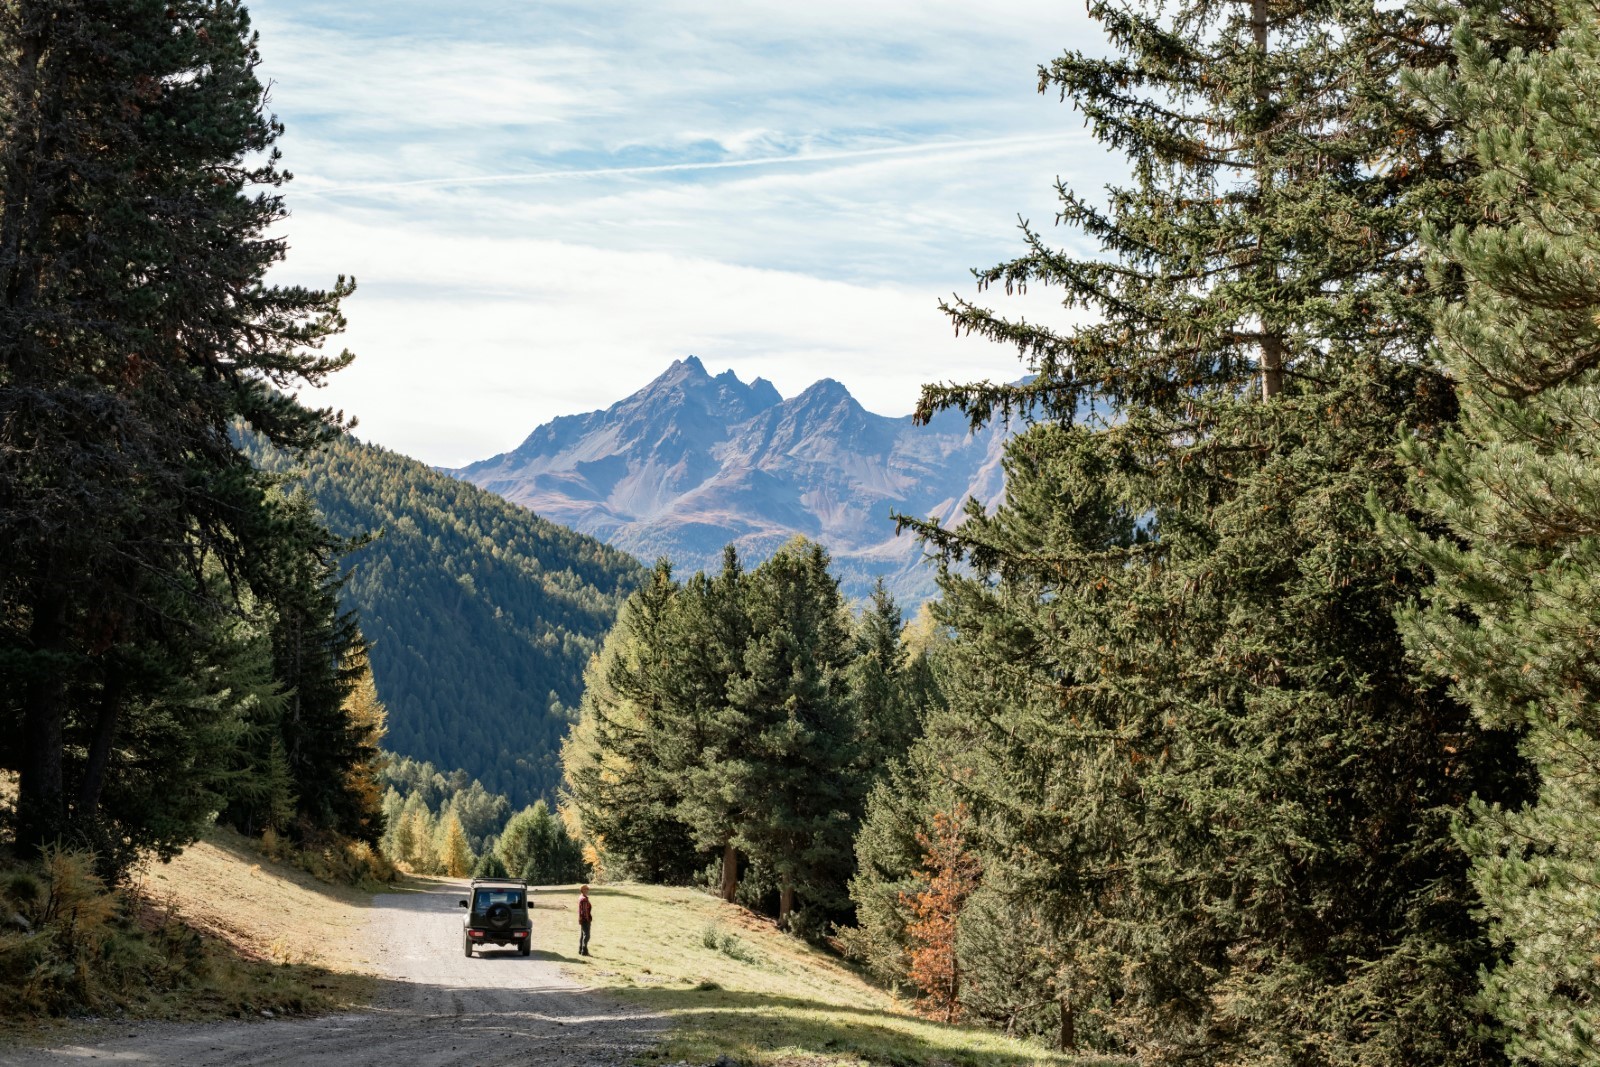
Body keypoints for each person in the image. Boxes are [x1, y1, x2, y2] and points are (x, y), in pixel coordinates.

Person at [577, 885, 593, 956]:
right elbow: (585, 911)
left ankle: (580, 950)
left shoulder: (581, 897)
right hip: (585, 919)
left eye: (588, 889)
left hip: (582, 919)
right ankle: (584, 951)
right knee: (587, 935)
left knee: (583, 935)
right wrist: (588, 919)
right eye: (586, 889)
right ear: (582, 890)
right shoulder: (584, 899)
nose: (587, 890)